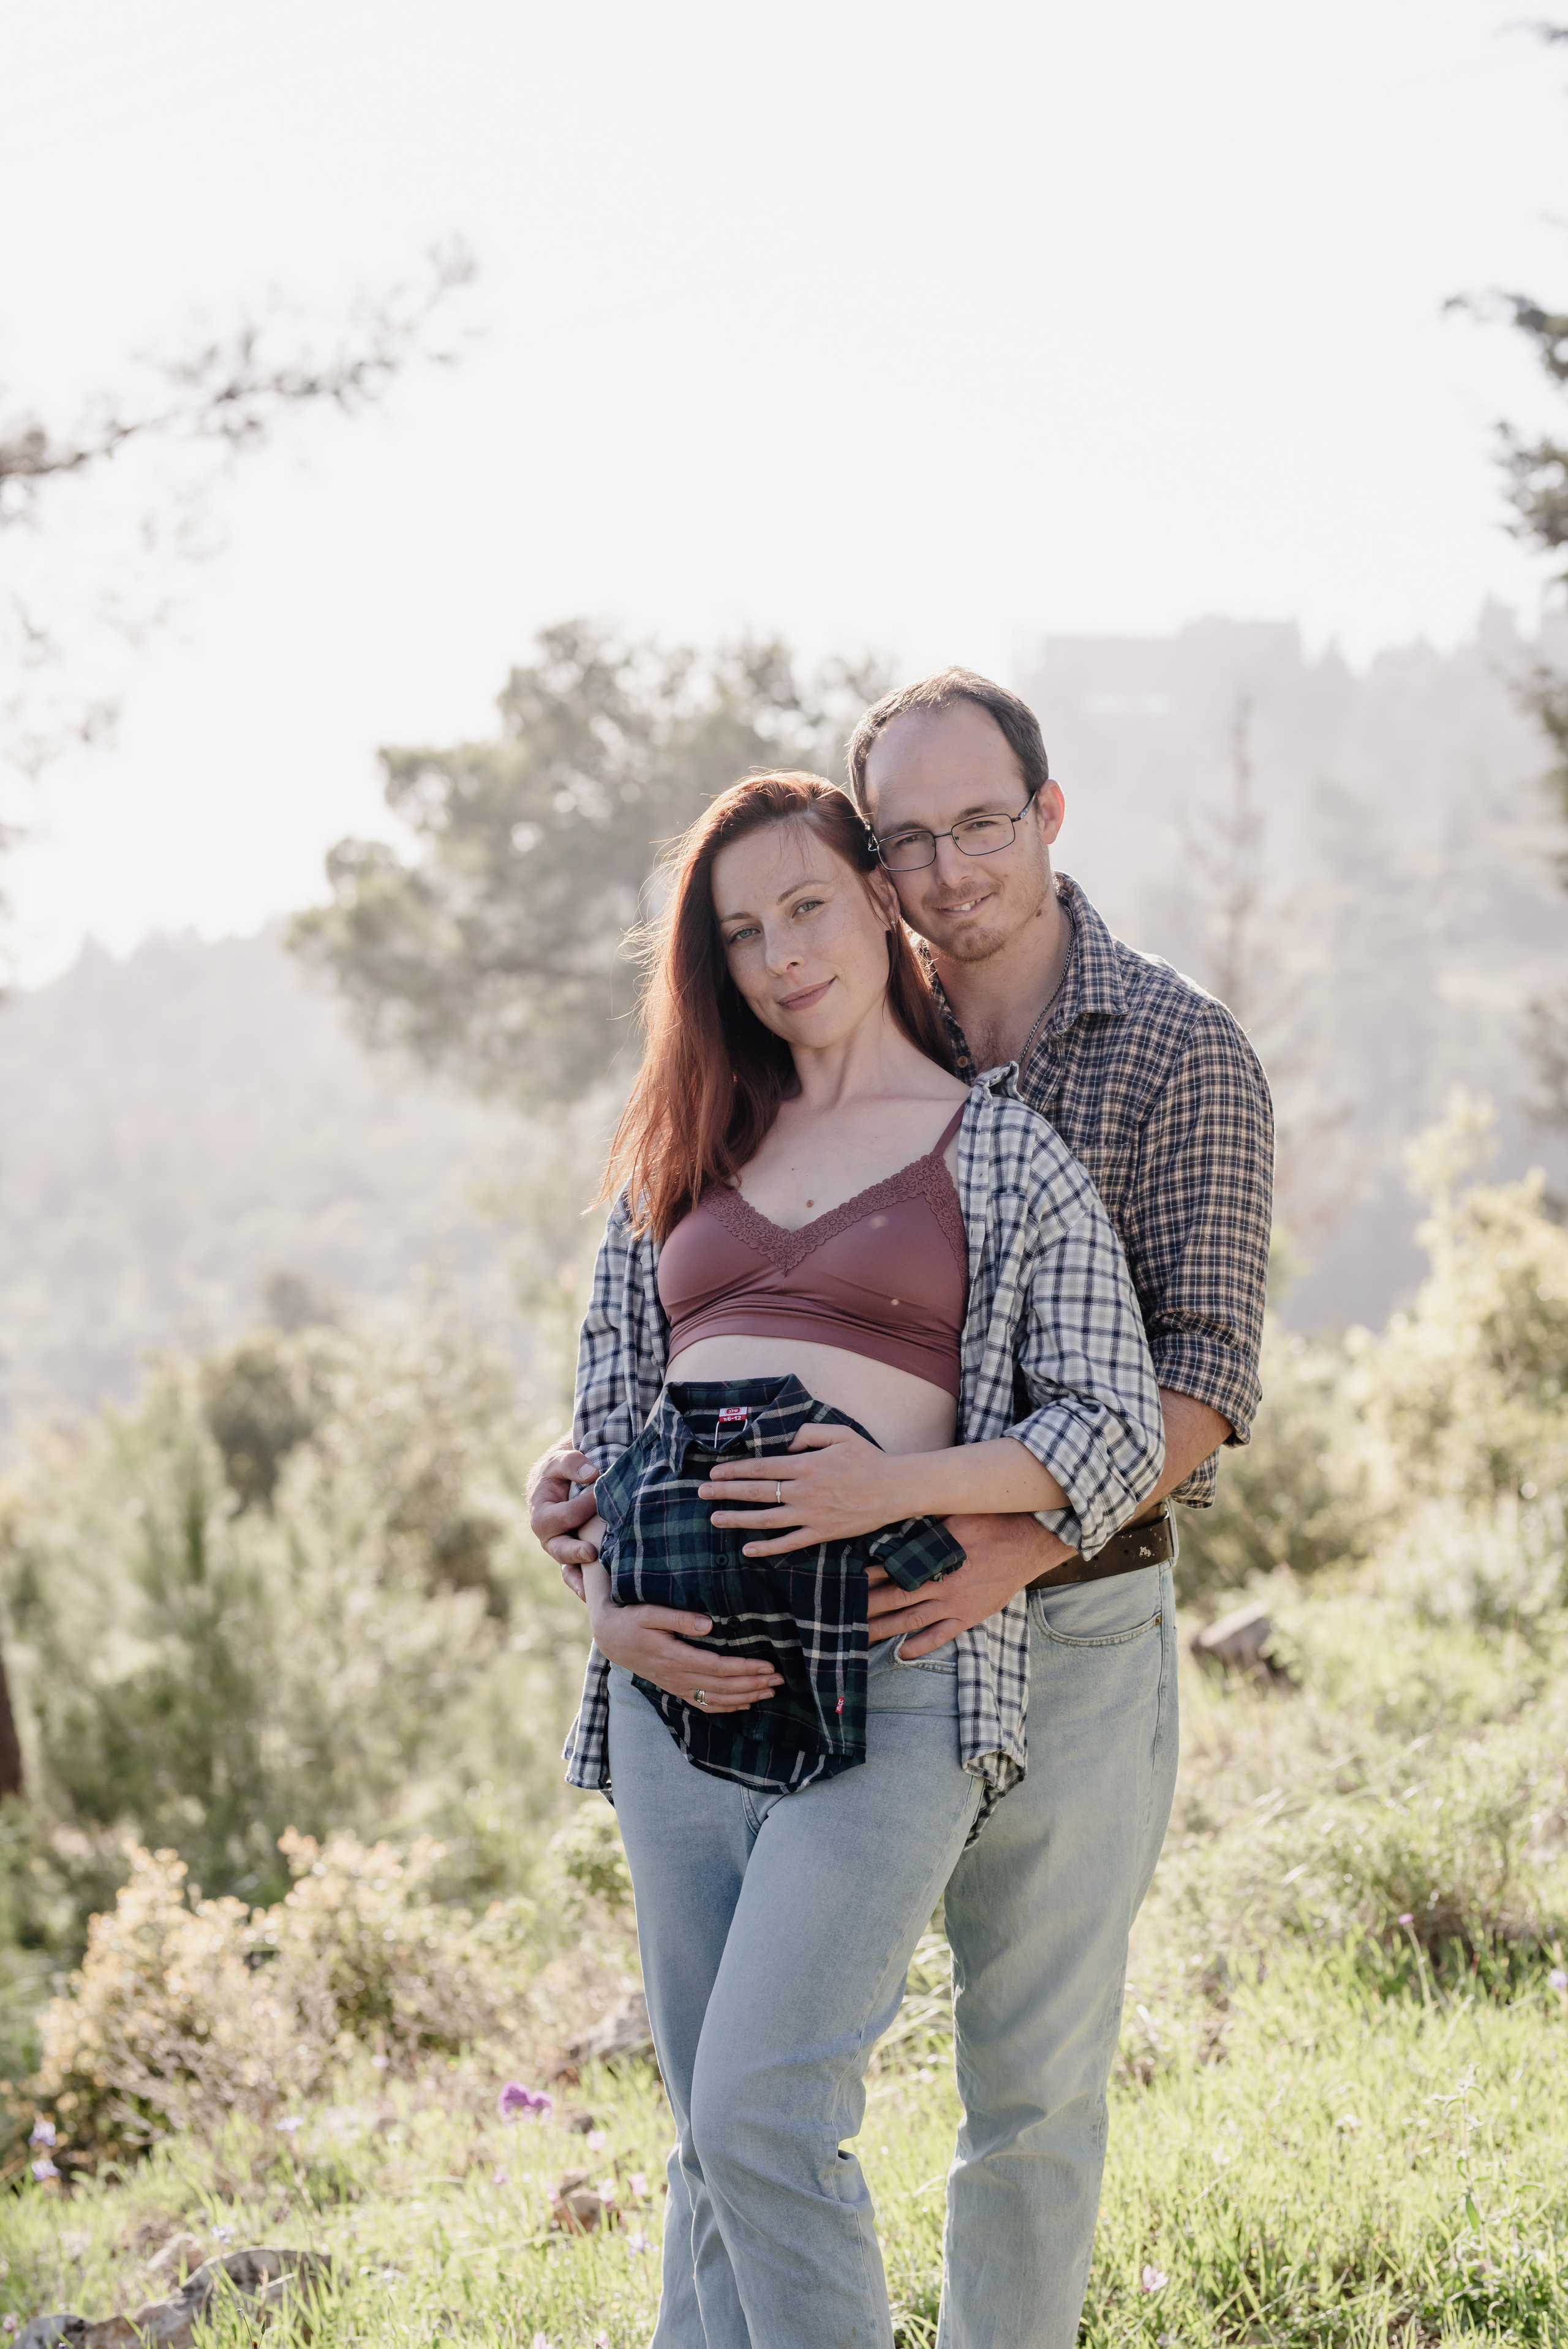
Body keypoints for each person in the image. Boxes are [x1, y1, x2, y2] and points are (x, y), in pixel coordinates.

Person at [533, 676, 1274, 2349]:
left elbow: (1196, 1383)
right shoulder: (738, 1109)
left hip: (1040, 1627)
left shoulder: (1153, 1064)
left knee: (1014, 2085)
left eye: (980, 825)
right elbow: (616, 1388)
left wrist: (960, 1535)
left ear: (1048, 814)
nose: (945, 872)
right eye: (910, 840)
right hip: (714, 1657)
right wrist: (585, 1543)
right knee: (725, 2111)